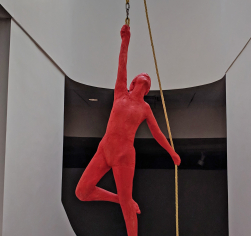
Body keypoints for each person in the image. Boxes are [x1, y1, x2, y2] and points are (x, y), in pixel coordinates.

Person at [75, 24, 181, 236]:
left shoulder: (145, 108)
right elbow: (121, 64)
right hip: (104, 148)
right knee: (82, 192)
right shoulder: (120, 92)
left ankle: (127, 208)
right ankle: (123, 200)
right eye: (143, 76)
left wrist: (172, 152)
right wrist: (125, 40)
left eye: (148, 80)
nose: (146, 77)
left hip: (124, 154)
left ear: (147, 89)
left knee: (126, 206)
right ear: (133, 83)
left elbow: (157, 133)